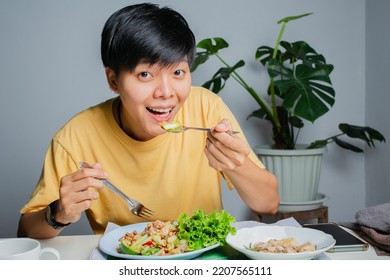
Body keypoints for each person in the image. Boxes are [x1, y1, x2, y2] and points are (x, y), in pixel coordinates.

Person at [17, 3, 279, 239]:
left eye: (178, 72)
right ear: (113, 80)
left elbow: (269, 203)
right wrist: (59, 213)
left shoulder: (206, 108)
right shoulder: (75, 136)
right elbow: (26, 232)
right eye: (145, 74)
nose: (166, 92)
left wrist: (237, 165)